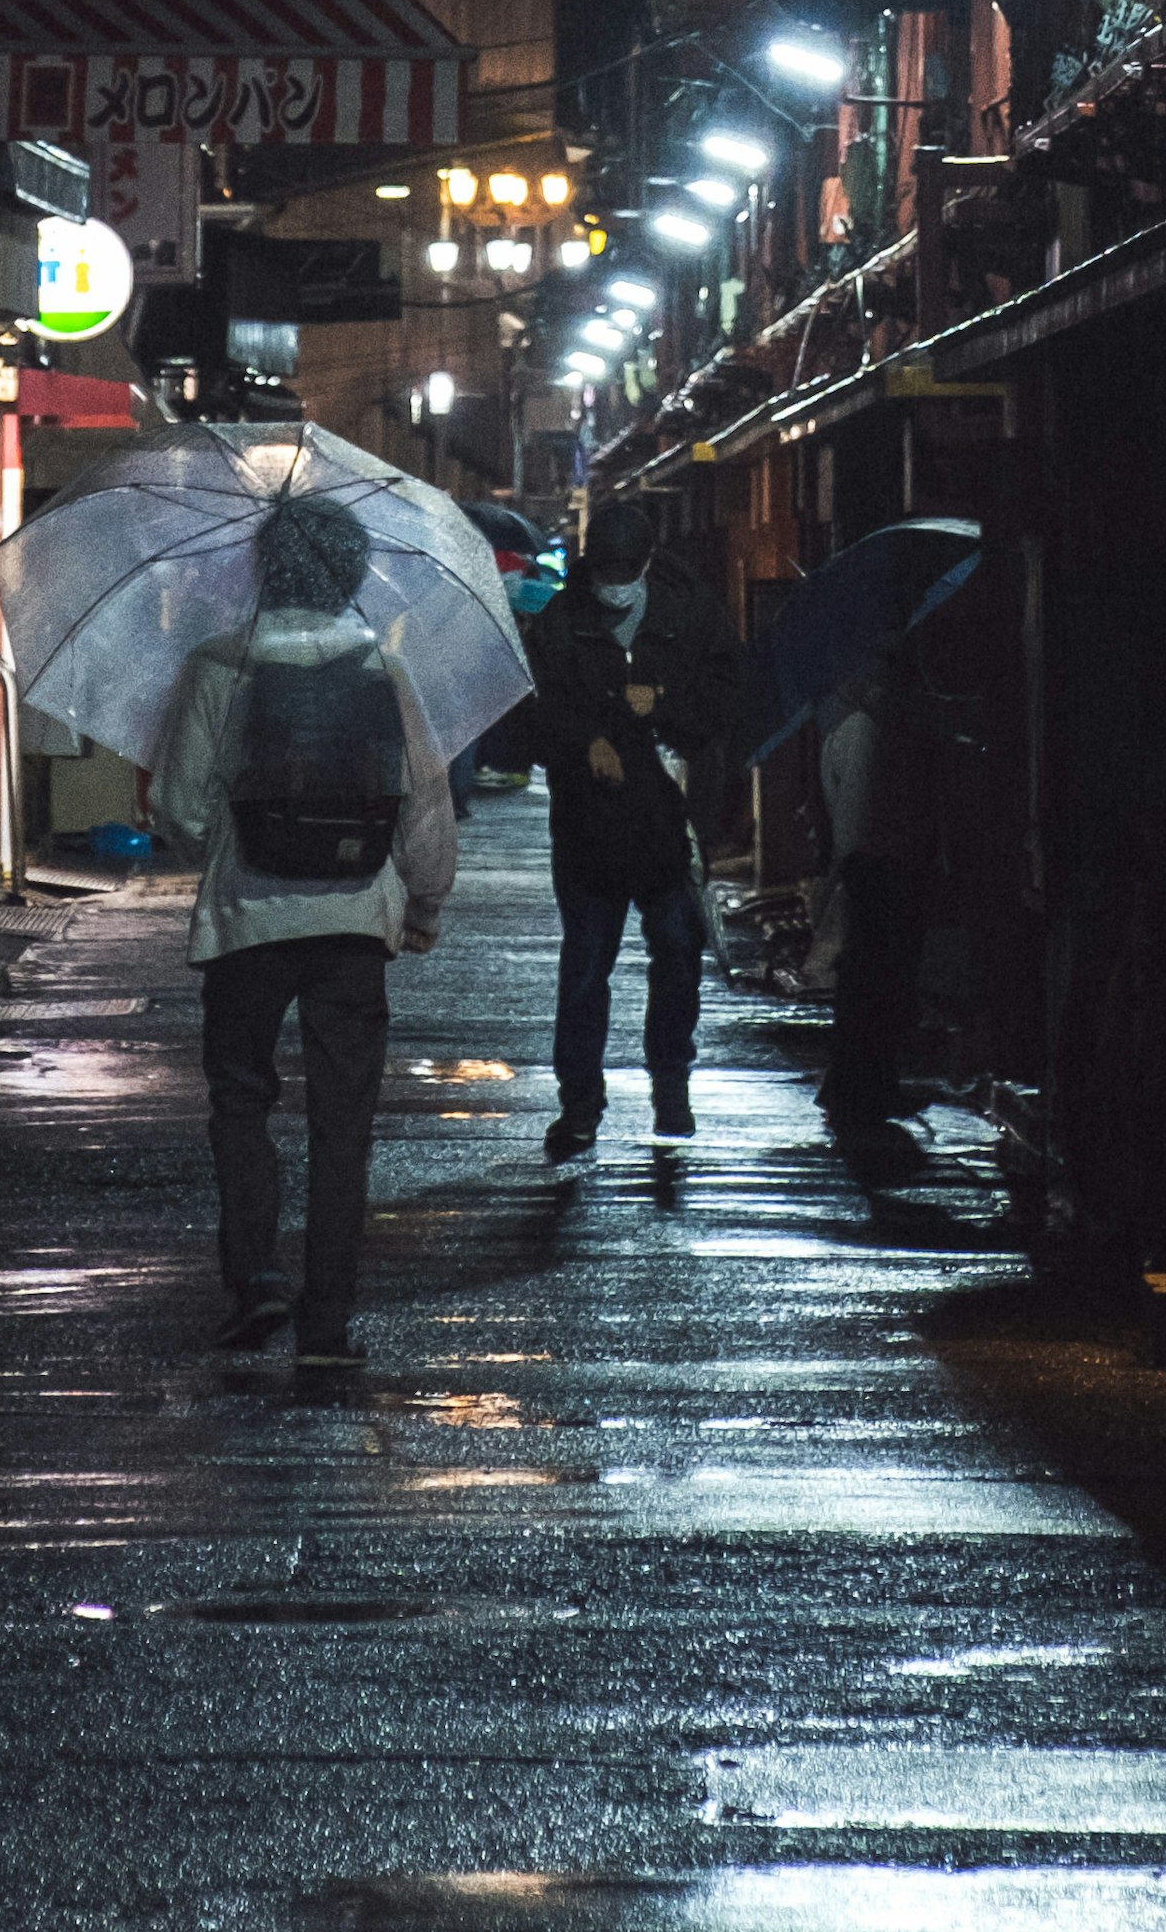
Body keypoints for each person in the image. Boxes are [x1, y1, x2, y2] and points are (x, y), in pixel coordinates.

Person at [152, 489, 455, 1374]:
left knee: (241, 1098)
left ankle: (257, 1277)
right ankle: (328, 1319)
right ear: (353, 572)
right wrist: (424, 905)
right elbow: (425, 809)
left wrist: (233, 841)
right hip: (355, 920)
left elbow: (179, 806)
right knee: (343, 1121)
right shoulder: (382, 671)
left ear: (265, 567)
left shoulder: (218, 665)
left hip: (246, 921)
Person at [520, 497, 745, 1153]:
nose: (613, 582)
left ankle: (670, 1084)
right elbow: (537, 714)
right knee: (587, 966)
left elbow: (727, 698)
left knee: (677, 951)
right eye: (604, 569)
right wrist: (583, 742)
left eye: (625, 568)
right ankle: (580, 1105)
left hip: (667, 823)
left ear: (645, 563)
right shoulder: (564, 619)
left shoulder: (689, 611)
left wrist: (665, 702)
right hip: (589, 823)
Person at [815, 627, 940, 1155]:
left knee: (871, 982)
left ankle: (861, 1084)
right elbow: (862, 815)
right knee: (877, 982)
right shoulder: (869, 733)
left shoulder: (856, 730)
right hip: (879, 869)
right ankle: (862, 1086)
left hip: (872, 866)